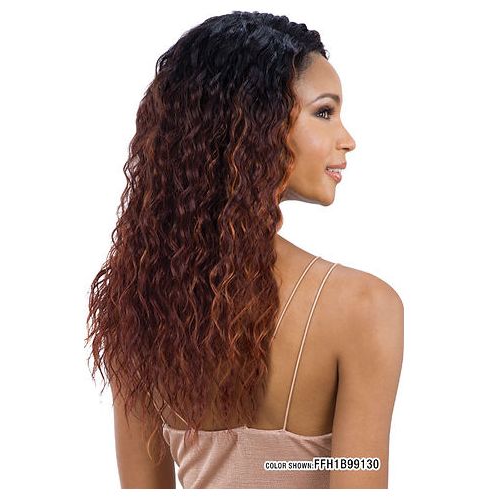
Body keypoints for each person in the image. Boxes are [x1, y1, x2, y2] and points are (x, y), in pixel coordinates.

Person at [86, 10, 404, 489]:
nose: (348, 139)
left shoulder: (139, 303)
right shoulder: (363, 307)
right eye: (324, 112)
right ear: (257, 125)